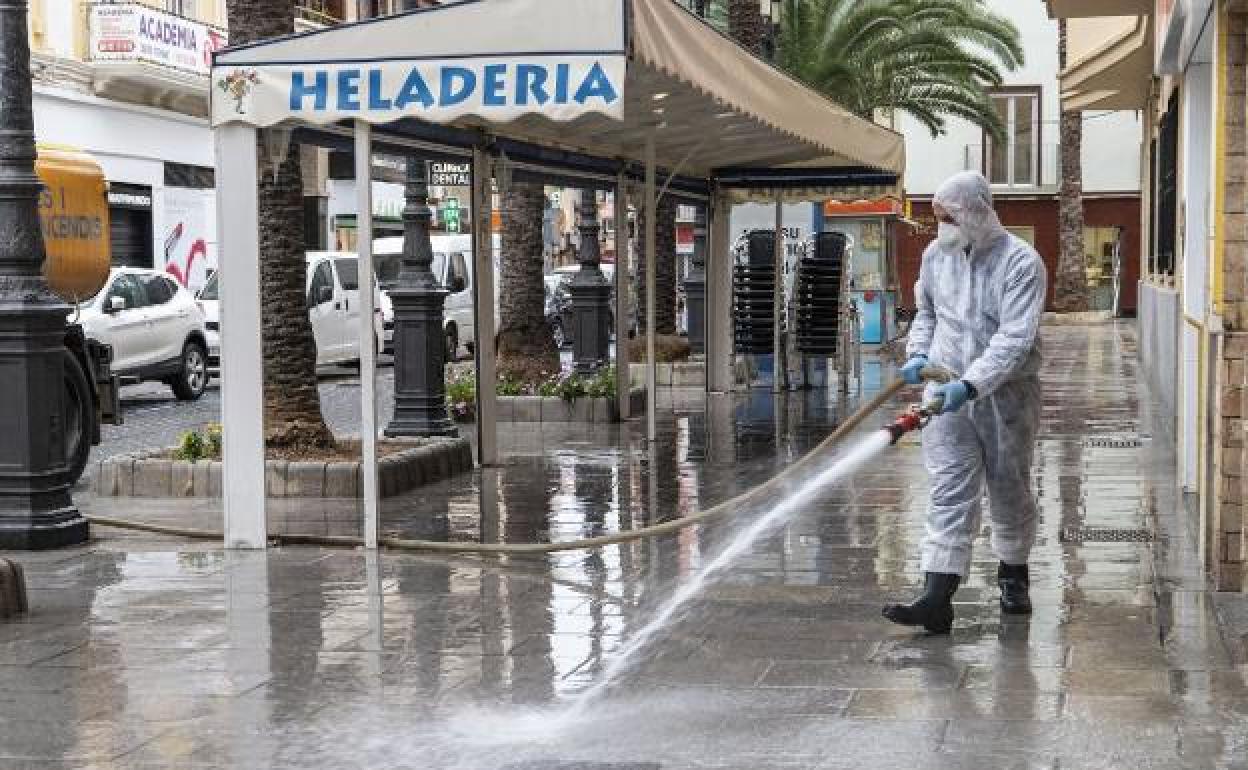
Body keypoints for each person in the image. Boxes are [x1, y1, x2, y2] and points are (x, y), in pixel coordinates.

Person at [883, 171, 1047, 634]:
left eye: (948, 217)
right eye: (936, 218)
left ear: (976, 211)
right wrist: (918, 353)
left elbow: (1015, 338)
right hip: (944, 390)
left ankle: (1013, 573)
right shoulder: (937, 256)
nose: (941, 227)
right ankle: (937, 597)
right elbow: (927, 313)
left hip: (1005, 397)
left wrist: (972, 385)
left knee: (1007, 485)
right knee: (949, 487)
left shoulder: (1021, 263)